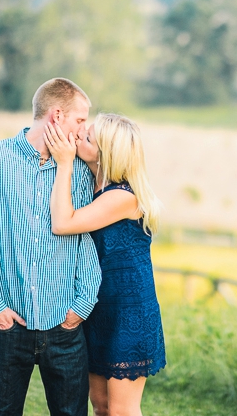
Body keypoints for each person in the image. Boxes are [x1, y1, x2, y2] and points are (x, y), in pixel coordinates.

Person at [0, 77, 102, 416]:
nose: (83, 131)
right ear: (56, 115)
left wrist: (81, 305)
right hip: (9, 327)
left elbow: (85, 240)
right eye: (80, 120)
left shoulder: (78, 171)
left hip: (64, 327)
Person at [44, 113, 166, 416]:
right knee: (101, 406)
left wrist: (63, 162)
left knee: (121, 411)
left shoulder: (124, 197)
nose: (79, 136)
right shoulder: (94, 188)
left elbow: (62, 223)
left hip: (129, 313)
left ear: (105, 155)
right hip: (98, 308)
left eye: (87, 138)